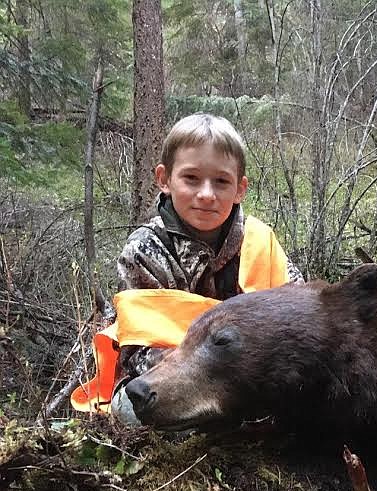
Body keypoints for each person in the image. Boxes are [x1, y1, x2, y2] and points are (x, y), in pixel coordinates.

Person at [71, 113, 303, 420]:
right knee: (129, 411)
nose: (206, 195)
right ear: (164, 179)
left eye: (221, 181)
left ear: (240, 189)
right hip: (176, 378)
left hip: (254, 378)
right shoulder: (145, 251)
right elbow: (139, 352)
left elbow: (299, 318)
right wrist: (219, 376)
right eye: (191, 178)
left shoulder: (260, 241)